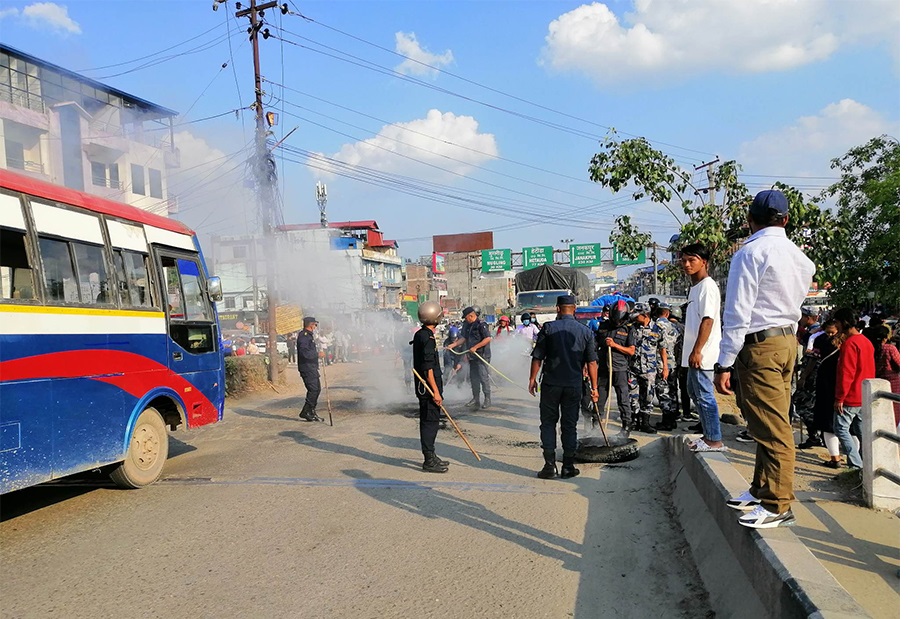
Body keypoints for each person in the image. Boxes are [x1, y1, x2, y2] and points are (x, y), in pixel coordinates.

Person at [716, 189, 815, 529]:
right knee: (766, 419)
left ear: (750, 221)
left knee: (773, 428)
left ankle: (777, 504)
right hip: (787, 341)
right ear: (786, 220)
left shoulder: (750, 253)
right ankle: (760, 489)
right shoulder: (801, 258)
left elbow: (738, 311)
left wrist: (725, 361)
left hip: (759, 346)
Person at [528, 295, 598, 479]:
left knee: (548, 423)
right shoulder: (585, 332)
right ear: (574, 308)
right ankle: (568, 466)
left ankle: (549, 466)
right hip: (573, 385)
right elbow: (592, 363)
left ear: (558, 308)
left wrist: (532, 379)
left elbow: (538, 356)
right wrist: (595, 388)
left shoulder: (548, 328)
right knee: (569, 425)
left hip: (551, 384)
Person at [679, 242, 725, 452]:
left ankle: (713, 440)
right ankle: (707, 433)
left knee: (705, 396)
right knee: (692, 391)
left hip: (702, 354)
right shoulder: (695, 287)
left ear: (703, 262)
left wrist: (697, 350)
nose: (686, 264)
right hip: (693, 353)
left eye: (692, 260)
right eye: (684, 260)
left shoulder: (707, 286)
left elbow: (708, 320)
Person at [832, 307, 876, 469]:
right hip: (864, 394)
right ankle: (868, 463)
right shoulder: (866, 342)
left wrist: (839, 398)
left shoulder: (850, 344)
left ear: (844, 322)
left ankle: (856, 463)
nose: (835, 326)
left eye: (837, 322)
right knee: (862, 431)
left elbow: (846, 373)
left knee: (841, 428)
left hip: (850, 395)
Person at [412, 301, 449, 473]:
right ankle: (428, 459)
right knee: (429, 423)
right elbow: (427, 369)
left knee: (431, 422)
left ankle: (431, 454)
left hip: (427, 387)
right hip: (428, 388)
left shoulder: (423, 334)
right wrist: (435, 392)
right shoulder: (427, 338)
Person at [596, 300, 636, 439]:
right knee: (600, 400)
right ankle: (596, 427)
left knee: (623, 399)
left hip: (619, 369)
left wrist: (614, 345)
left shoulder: (629, 329)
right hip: (603, 369)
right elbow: (595, 346)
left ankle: (626, 427)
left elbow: (631, 351)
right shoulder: (603, 326)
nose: (617, 322)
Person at [808, 320, 846, 467]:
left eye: (833, 332)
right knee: (837, 421)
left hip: (830, 382)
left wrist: (805, 376)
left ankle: (836, 458)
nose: (830, 334)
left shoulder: (824, 340)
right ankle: (846, 457)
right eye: (828, 331)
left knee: (828, 422)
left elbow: (813, 360)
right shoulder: (843, 342)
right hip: (833, 383)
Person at [446, 307, 493, 409]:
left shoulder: (481, 324)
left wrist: (476, 347)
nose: (465, 320)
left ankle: (487, 399)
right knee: (473, 378)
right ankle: (475, 399)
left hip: (482, 355)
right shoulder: (467, 325)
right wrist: (452, 345)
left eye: (466, 317)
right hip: (472, 356)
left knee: (483, 377)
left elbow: (488, 338)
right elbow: (463, 338)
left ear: (471, 315)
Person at [629, 309, 664, 434]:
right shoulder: (632, 328)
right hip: (633, 367)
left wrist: (664, 367)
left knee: (648, 396)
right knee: (633, 395)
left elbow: (662, 349)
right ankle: (633, 421)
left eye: (637, 316)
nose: (634, 318)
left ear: (645, 315)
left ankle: (645, 422)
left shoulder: (657, 328)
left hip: (649, 369)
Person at [653, 304, 681, 430]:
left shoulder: (656, 326)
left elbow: (660, 346)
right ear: (667, 314)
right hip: (672, 363)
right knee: (672, 391)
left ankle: (667, 422)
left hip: (661, 363)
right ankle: (673, 418)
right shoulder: (673, 327)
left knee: (663, 392)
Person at [869, 324, 900, 426]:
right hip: (893, 382)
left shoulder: (871, 348)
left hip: (877, 380)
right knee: (894, 410)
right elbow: (899, 364)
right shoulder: (890, 348)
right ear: (886, 337)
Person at [297, 317, 324, 422]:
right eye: (315, 325)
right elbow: (304, 353)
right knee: (313, 389)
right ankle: (306, 411)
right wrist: (317, 354)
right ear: (311, 325)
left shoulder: (309, 336)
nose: (316, 327)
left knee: (317, 389)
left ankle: (311, 411)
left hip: (311, 367)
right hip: (307, 367)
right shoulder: (304, 336)